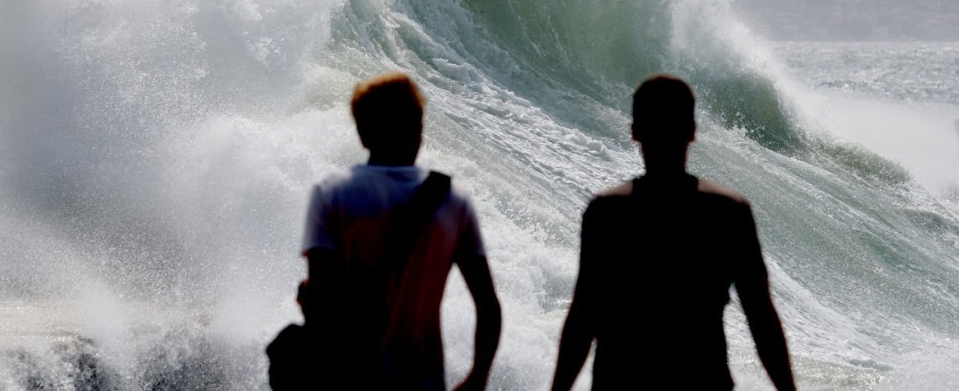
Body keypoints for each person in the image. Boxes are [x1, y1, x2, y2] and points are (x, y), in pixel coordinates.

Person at [550, 75, 797, 391]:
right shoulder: (728, 212)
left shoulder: (607, 212)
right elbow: (761, 317)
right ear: (693, 132)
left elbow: (583, 317)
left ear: (634, 131)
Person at [300, 71, 501, 391]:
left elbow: (320, 299)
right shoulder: (451, 198)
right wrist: (478, 377)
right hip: (422, 379)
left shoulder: (332, 193)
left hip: (347, 377)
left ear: (363, 134)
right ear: (419, 131)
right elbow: (488, 305)